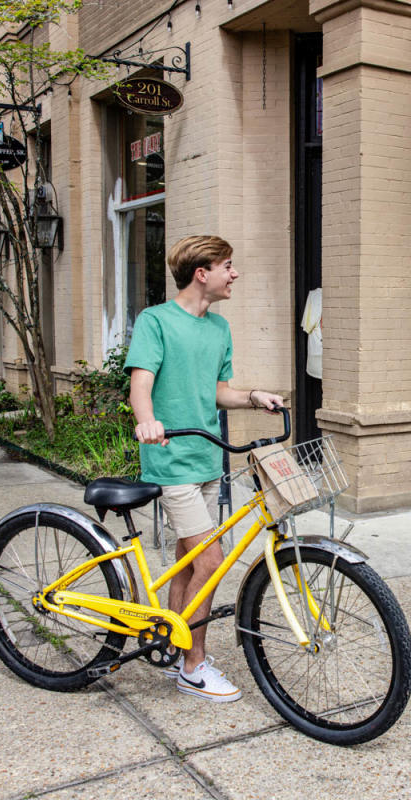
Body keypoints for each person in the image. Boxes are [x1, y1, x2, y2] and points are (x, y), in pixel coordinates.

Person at [127, 234, 284, 703]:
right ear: (203, 273)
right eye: (228, 266)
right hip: (171, 458)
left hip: (205, 456)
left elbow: (220, 392)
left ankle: (174, 644)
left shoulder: (218, 329)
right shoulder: (156, 321)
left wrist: (255, 397)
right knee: (211, 563)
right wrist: (146, 421)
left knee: (186, 561)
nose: (234, 274)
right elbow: (141, 384)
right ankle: (193, 668)